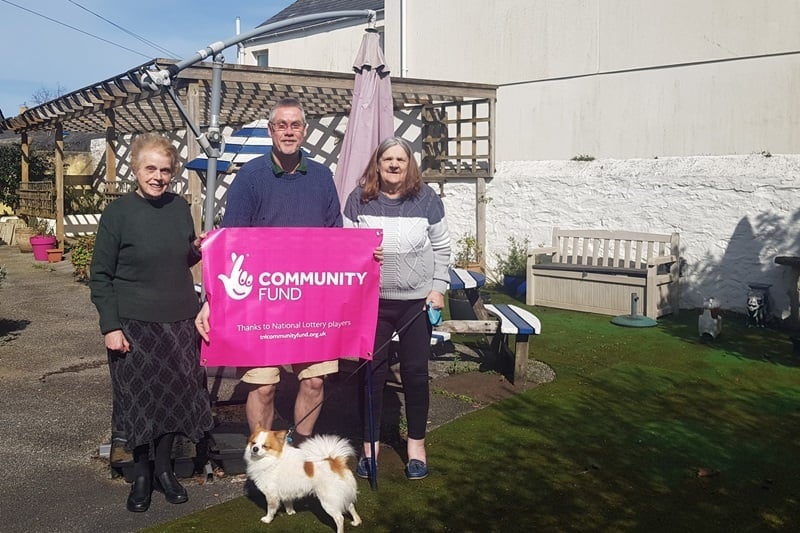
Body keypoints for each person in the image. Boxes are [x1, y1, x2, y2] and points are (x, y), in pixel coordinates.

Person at [195, 97, 342, 442]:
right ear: (271, 130)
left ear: (304, 131)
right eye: (281, 125)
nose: (288, 132)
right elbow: (229, 244)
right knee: (263, 388)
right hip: (260, 302)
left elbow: (337, 240)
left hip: (310, 302)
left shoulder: (322, 177)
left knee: (314, 380)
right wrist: (211, 300)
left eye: (295, 125)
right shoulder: (250, 177)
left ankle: (301, 445)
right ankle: (263, 455)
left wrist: (367, 259)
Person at [89, 133, 213, 513]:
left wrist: (197, 249)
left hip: (179, 321)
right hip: (134, 325)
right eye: (150, 169)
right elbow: (100, 275)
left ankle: (164, 470)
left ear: (173, 173)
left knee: (173, 401)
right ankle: (141, 474)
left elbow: (179, 259)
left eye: (165, 170)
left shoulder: (179, 207)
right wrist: (111, 326)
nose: (158, 177)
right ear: (135, 169)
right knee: (139, 403)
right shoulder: (118, 214)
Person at [342, 136, 451, 480]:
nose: (393, 165)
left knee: (416, 374)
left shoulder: (426, 199)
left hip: (416, 304)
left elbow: (443, 247)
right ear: (378, 163)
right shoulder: (358, 199)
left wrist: (438, 289)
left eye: (400, 160)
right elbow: (345, 247)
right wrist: (362, 254)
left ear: (409, 165)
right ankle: (369, 446)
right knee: (371, 375)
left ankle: (416, 445)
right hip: (372, 303)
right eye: (387, 158)